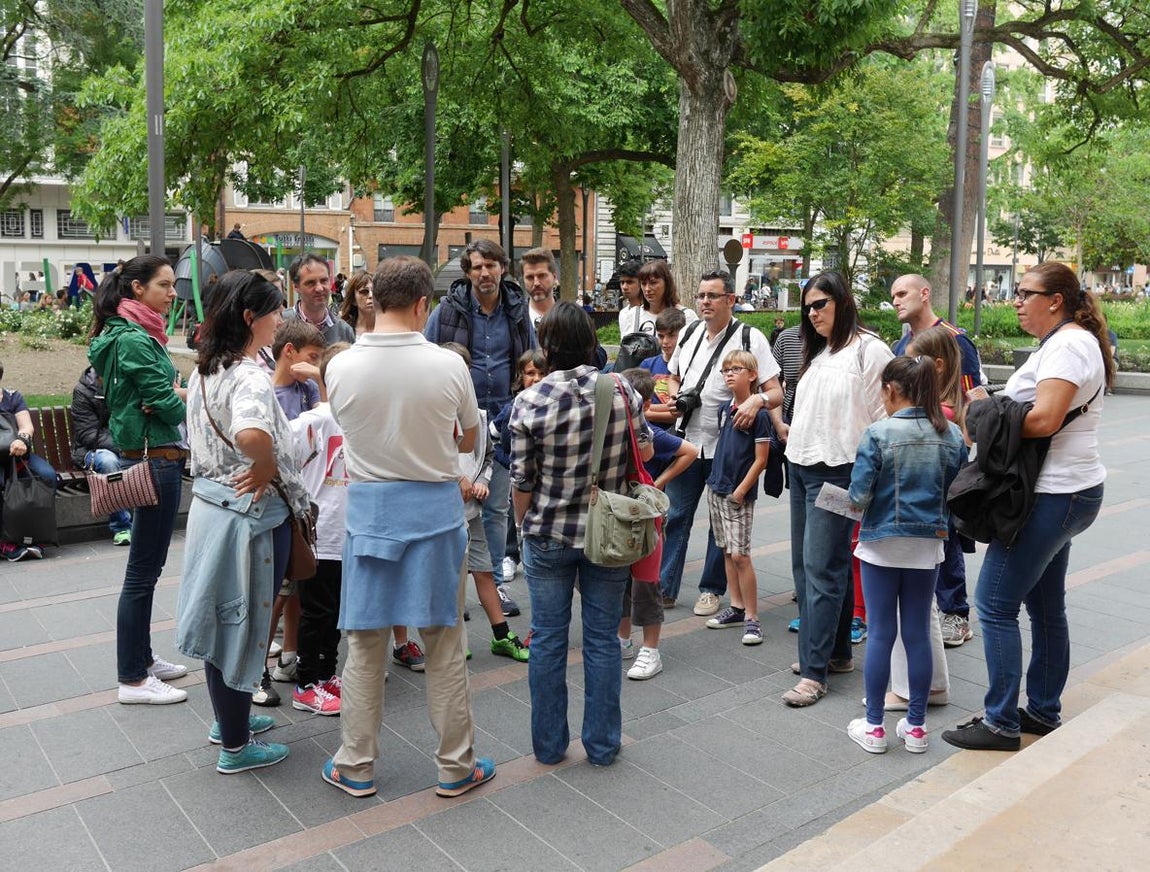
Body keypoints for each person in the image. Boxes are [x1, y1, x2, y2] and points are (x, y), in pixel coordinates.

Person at [323, 256, 494, 799]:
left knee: (365, 644)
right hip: (436, 514)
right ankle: (454, 766)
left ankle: (355, 764)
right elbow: (468, 440)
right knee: (444, 642)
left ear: (374, 299)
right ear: (424, 304)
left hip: (370, 513)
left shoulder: (341, 365)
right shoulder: (449, 366)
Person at [943, 262, 1111, 752]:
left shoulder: (1069, 344)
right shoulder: (1064, 342)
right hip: (1067, 489)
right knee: (1044, 605)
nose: (1014, 300)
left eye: (1024, 293)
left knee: (994, 604)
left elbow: (1045, 419)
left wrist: (984, 411)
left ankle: (1000, 723)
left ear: (1055, 299)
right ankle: (1040, 710)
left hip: (1055, 493)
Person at [177, 269, 309, 773]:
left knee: (221, 620)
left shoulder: (206, 368)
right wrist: (266, 463)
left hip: (214, 509)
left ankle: (227, 722)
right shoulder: (251, 374)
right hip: (251, 520)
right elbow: (252, 433)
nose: (282, 319)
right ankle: (235, 745)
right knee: (243, 625)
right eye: (276, 309)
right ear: (251, 317)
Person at [510, 301, 647, 767]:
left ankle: (549, 748)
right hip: (608, 533)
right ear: (592, 341)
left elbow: (522, 479)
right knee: (603, 639)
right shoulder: (622, 389)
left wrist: (521, 524)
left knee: (547, 638)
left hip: (548, 532)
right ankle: (604, 745)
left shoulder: (529, 400)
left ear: (546, 346)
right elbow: (644, 447)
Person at [782, 271, 893, 708]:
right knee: (813, 567)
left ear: (843, 302)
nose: (812, 314)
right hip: (802, 467)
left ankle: (813, 672)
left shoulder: (870, 349)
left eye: (820, 304)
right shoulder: (822, 350)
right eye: (807, 307)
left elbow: (886, 416)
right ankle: (838, 653)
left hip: (840, 473)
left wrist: (872, 479)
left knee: (821, 570)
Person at [846, 357, 966, 754]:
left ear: (892, 389)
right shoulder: (950, 434)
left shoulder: (878, 433)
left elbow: (859, 496)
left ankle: (876, 727)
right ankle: (915, 728)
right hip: (928, 543)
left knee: (881, 633)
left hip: (881, 542)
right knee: (916, 634)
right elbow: (955, 490)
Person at [88, 255, 190, 704]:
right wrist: (179, 397)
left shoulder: (130, 334)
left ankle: (143, 660)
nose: (172, 293)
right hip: (155, 459)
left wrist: (171, 394)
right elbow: (168, 406)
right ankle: (132, 677)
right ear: (136, 289)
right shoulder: (134, 340)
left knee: (146, 571)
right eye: (164, 286)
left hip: (150, 456)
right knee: (142, 574)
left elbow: (164, 396)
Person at [659, 270, 782, 615]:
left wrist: (756, 401)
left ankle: (711, 590)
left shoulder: (749, 337)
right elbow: (672, 374)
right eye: (700, 296)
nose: (704, 302)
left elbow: (775, 390)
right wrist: (674, 397)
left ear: (731, 299)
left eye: (712, 296)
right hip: (689, 441)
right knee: (677, 514)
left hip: (729, 448)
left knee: (720, 524)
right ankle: (665, 587)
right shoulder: (691, 332)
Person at [425, 239, 536, 619]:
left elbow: (530, 361)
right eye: (476, 267)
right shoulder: (447, 311)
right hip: (455, 423)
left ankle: (496, 587)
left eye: (491, 265)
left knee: (495, 506)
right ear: (467, 272)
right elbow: (424, 356)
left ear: (503, 268)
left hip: (505, 420)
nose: (484, 273)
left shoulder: (518, 311)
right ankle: (454, 590)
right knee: (453, 507)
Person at [890, 273, 983, 648]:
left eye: (902, 293)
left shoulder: (956, 340)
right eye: (892, 294)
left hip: (943, 454)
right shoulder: (902, 343)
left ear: (925, 294)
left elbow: (970, 401)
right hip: (908, 453)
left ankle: (955, 613)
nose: (896, 300)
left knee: (946, 532)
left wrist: (955, 444)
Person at [442, 341, 529, 663]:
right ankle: (454, 639)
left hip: (472, 511)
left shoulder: (477, 416)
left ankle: (501, 634)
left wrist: (479, 482)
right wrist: (458, 480)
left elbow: (489, 456)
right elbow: (428, 458)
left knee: (484, 570)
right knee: (452, 574)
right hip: (445, 512)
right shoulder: (430, 413)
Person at [617, 367, 698, 680]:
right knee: (621, 579)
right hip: (621, 513)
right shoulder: (621, 425)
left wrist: (659, 482)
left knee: (646, 582)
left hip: (646, 515)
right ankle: (623, 640)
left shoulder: (648, 431)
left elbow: (689, 451)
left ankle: (650, 650)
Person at [702, 350, 774, 646]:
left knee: (741, 554)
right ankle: (736, 606)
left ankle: (753, 618)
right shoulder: (725, 409)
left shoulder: (760, 415)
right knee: (726, 551)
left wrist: (742, 490)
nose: (729, 374)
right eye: (725, 370)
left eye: (736, 369)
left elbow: (761, 459)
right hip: (716, 487)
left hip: (737, 493)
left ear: (752, 375)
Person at [494, 350, 547, 585]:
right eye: (530, 373)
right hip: (517, 474)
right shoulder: (512, 406)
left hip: (543, 476)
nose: (536, 379)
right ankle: (509, 554)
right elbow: (493, 435)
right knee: (511, 513)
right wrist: (506, 461)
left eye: (542, 373)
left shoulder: (554, 404)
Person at [0, 363, 59, 561]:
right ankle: (6, 542)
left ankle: (34, 534)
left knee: (47, 475)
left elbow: (26, 426)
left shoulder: (12, 397)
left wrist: (22, 439)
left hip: (18, 457)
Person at [70, 366, 132, 545]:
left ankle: (148, 523)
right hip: (91, 451)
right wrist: (123, 447)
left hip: (125, 445)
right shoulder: (83, 391)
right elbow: (88, 434)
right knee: (109, 462)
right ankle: (122, 527)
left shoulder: (126, 383)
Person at [281, 253, 356, 345]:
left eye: (324, 281)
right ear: (296, 287)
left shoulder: (344, 331)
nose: (319, 288)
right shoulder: (281, 324)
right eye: (311, 283)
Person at [639, 308, 687, 429]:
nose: (665, 341)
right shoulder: (647, 365)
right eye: (661, 336)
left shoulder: (688, 367)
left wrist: (649, 413)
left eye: (671, 336)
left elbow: (680, 413)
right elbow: (638, 405)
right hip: (649, 430)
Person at [636, 259, 698, 332]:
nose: (647, 289)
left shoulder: (687, 316)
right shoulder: (633, 315)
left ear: (666, 283)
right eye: (643, 284)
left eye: (653, 283)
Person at [521, 248, 558, 329]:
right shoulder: (514, 321)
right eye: (530, 277)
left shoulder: (571, 321)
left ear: (554, 277)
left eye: (542, 276)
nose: (536, 283)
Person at [338, 271, 374, 337]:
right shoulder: (344, 330)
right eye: (364, 292)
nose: (371, 295)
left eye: (375, 291)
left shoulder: (390, 327)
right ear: (353, 300)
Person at [615, 259, 645, 337]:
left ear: (641, 283)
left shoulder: (649, 311)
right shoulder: (623, 313)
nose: (624, 287)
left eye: (630, 282)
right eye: (622, 282)